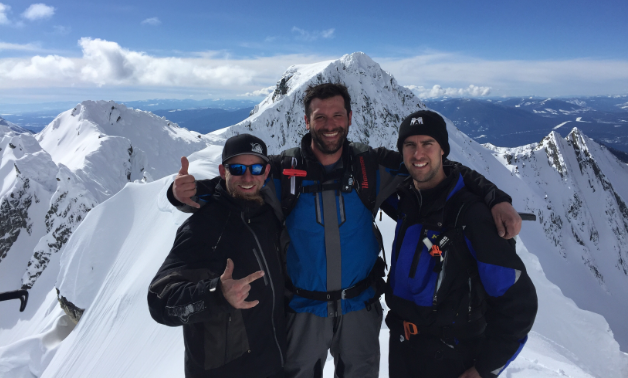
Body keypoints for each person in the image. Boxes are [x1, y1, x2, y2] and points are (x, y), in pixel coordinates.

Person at [168, 83, 523, 378]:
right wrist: (183, 194)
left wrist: (495, 197)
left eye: (337, 115)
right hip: (304, 309)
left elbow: (434, 167)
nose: (329, 124)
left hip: (360, 308)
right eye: (320, 117)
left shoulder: (372, 166)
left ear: (350, 118)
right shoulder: (283, 171)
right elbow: (239, 183)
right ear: (307, 121)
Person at [385, 110, 538, 378]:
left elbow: (519, 303)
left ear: (442, 149)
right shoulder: (405, 199)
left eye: (427, 144)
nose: (418, 154)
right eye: (410, 145)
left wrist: (484, 369)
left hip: (451, 358)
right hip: (401, 349)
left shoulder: (470, 215)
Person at [148, 134, 286, 378]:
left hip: (273, 364)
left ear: (266, 172)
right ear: (224, 171)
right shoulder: (205, 227)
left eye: (255, 168)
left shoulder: (268, 213)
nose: (247, 177)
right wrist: (216, 295)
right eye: (237, 168)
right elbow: (160, 300)